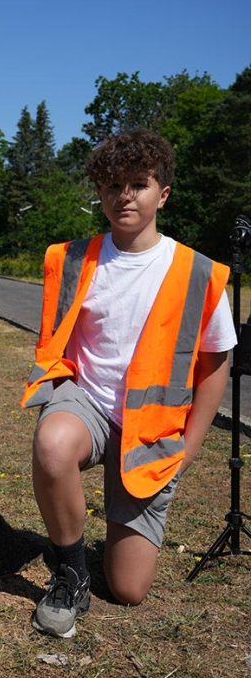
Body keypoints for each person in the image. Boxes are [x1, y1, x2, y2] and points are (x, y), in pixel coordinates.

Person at [20, 128, 237, 638]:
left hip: (153, 430)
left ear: (162, 194)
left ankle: (108, 538)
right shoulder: (72, 259)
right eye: (113, 185)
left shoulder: (197, 273)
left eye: (138, 184)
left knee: (127, 589)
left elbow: (214, 364)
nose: (124, 196)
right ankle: (71, 570)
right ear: (100, 193)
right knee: (53, 445)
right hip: (89, 404)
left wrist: (187, 450)